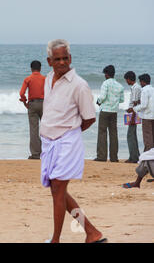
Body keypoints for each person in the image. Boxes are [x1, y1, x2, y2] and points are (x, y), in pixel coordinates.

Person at [40, 39, 106, 243]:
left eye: (65, 58)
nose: (62, 62)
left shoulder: (79, 85)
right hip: (48, 143)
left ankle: (56, 240)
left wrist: (70, 134)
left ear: (70, 58)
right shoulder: (48, 78)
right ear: (49, 61)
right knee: (57, 190)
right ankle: (92, 233)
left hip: (67, 143)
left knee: (59, 190)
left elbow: (89, 118)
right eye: (57, 59)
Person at [94, 65, 124, 162]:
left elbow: (102, 97)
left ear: (106, 74)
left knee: (102, 133)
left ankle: (102, 157)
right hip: (114, 112)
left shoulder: (105, 83)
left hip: (105, 111)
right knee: (113, 134)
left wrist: (98, 101)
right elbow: (122, 100)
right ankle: (114, 157)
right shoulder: (120, 86)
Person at [19, 60, 45, 159]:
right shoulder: (45, 79)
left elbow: (21, 93)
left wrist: (25, 102)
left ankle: (35, 154)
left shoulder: (28, 79)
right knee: (46, 129)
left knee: (34, 129)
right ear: (40, 68)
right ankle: (46, 152)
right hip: (44, 104)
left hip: (32, 104)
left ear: (31, 69)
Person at [131, 74, 154, 152]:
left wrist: (134, 109)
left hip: (147, 117)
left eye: (140, 82)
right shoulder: (152, 89)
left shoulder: (144, 90)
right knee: (152, 137)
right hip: (153, 116)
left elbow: (144, 105)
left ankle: (148, 158)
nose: (140, 84)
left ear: (143, 82)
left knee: (148, 138)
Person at [123, 71, 142, 163]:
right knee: (133, 135)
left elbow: (135, 103)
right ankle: (135, 156)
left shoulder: (135, 88)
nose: (126, 81)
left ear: (129, 79)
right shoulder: (137, 87)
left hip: (134, 114)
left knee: (130, 136)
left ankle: (133, 157)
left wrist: (132, 118)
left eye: (126, 80)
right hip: (134, 112)